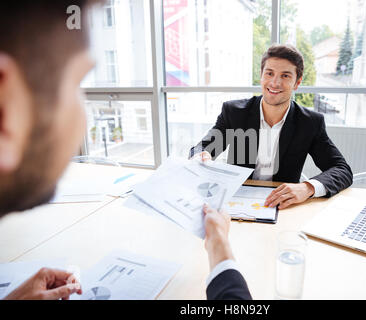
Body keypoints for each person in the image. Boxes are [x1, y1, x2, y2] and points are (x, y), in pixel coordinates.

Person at [0, 0, 250, 300]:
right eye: (76, 83)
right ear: (6, 108)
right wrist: (219, 242)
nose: (86, 120)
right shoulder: (235, 111)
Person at [190, 44, 353, 209]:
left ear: (297, 82)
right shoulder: (234, 113)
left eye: (285, 76)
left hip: (282, 207)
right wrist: (201, 158)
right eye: (269, 73)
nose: (275, 83)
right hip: (236, 203)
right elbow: (201, 149)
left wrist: (307, 188)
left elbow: (342, 170)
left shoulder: (310, 123)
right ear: (261, 76)